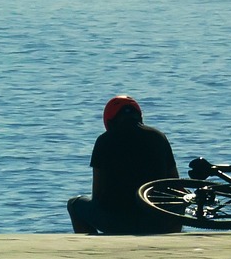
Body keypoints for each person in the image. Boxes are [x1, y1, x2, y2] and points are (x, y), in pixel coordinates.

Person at [68, 96, 182, 235]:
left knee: (74, 204)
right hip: (157, 220)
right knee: (181, 200)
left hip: (116, 222)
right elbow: (176, 184)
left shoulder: (104, 140)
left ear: (110, 119)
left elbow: (97, 192)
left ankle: (94, 243)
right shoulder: (158, 137)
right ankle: (171, 235)